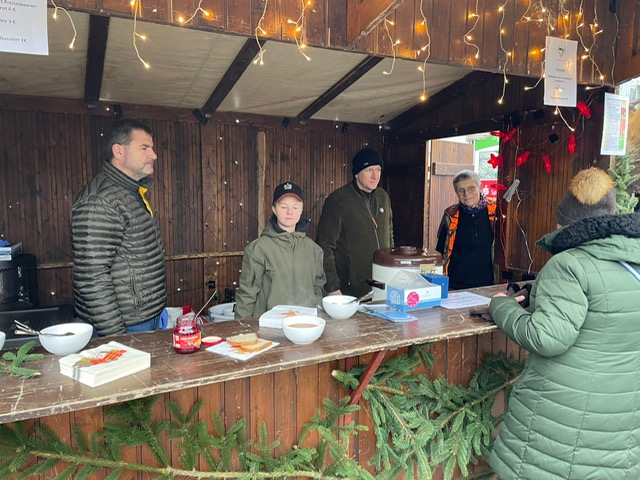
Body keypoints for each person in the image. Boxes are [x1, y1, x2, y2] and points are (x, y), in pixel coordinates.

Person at [488, 167, 640, 479]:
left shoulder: (569, 264)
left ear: (567, 223)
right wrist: (538, 292)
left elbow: (547, 337)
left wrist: (501, 305)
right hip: (618, 418)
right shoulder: (631, 260)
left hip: (562, 422)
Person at [71, 119, 167, 336]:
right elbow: (92, 278)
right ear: (119, 152)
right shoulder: (99, 201)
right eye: (144, 148)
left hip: (148, 318)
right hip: (125, 326)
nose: (154, 155)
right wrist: (117, 337)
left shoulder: (131, 193)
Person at [235, 182, 326, 319]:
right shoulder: (258, 249)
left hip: (305, 325)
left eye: (295, 207)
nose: (290, 212)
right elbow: (247, 294)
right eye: (283, 207)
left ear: (301, 210)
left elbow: (318, 288)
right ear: (274, 209)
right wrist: (242, 327)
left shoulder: (314, 250)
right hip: (268, 326)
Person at [316, 147, 394, 298]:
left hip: (382, 287)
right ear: (357, 174)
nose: (375, 176)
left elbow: (389, 235)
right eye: (369, 170)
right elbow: (324, 246)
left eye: (378, 170)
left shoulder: (383, 197)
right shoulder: (338, 201)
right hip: (349, 292)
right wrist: (332, 287)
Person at [435, 170, 496, 290]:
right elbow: (440, 250)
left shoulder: (496, 211)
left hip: (488, 284)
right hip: (455, 285)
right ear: (456, 192)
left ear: (480, 187)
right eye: (461, 190)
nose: (466, 194)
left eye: (471, 188)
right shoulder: (450, 215)